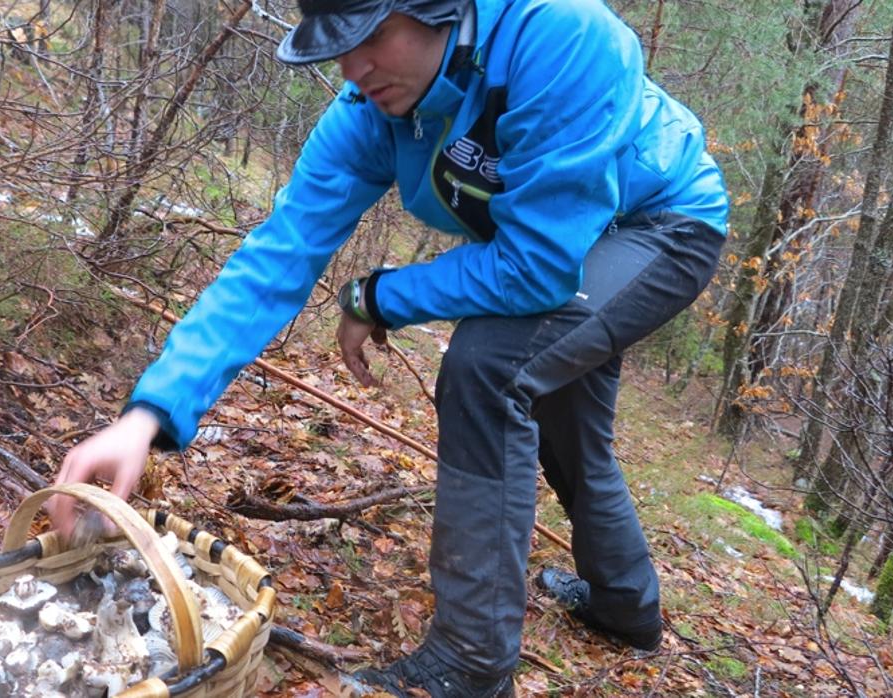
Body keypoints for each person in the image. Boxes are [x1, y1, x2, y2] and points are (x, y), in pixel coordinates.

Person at [50, 0, 728, 694]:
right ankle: (625, 607)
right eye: (337, 47)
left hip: (660, 223)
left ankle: (471, 660)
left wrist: (377, 296)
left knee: (490, 366)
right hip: (576, 240)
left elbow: (538, 264)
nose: (352, 67)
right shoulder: (369, 113)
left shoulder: (558, 34)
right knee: (559, 412)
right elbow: (277, 255)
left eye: (371, 36)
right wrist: (147, 416)